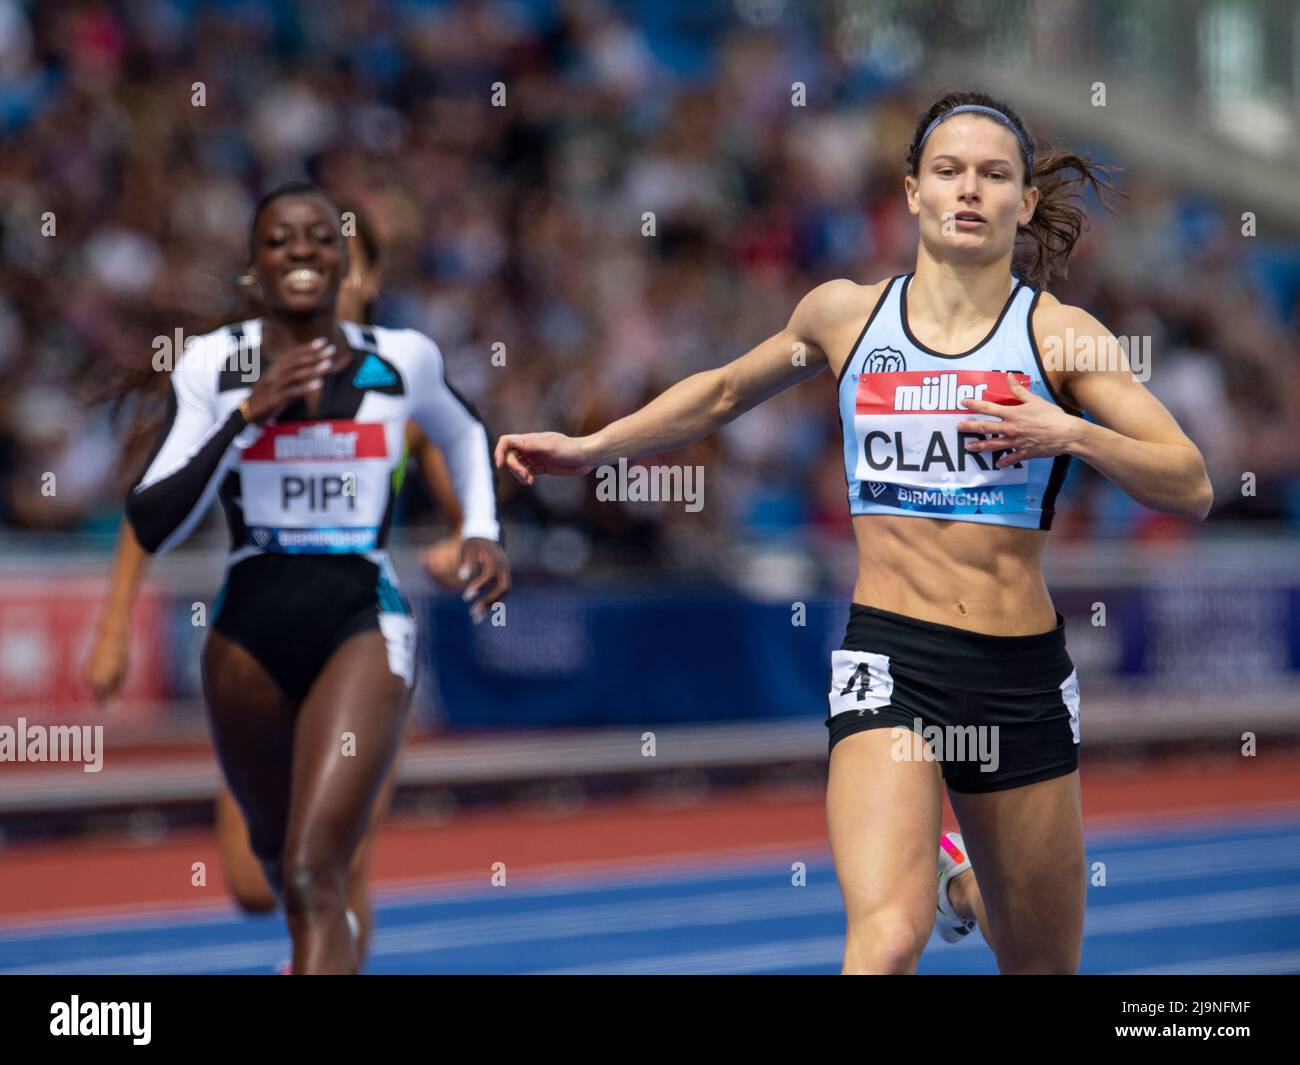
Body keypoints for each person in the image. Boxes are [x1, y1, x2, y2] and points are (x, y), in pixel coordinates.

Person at [495, 91, 1212, 975]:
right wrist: (592, 447)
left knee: (1041, 963)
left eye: (994, 175)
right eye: (948, 171)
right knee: (883, 938)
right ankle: (930, 896)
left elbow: (1191, 481)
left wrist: (1068, 431)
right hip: (890, 660)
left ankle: (964, 890)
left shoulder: (1061, 338)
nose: (969, 191)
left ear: (1025, 202)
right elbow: (721, 391)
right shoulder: (845, 315)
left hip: (1016, 674)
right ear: (911, 190)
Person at [123, 180, 509, 974]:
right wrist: (242, 418)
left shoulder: (403, 359)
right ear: (253, 267)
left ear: (347, 263)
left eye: (320, 237)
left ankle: (332, 933)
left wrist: (481, 530)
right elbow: (152, 518)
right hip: (245, 635)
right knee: (273, 872)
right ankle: (335, 940)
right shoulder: (213, 366)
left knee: (314, 868)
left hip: (361, 619)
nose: (302, 250)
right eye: (279, 239)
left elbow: (467, 434)